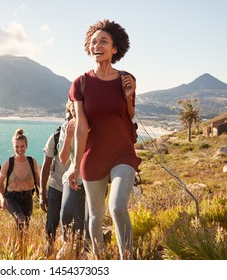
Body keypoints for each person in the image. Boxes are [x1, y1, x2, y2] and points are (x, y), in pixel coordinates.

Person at [67, 19, 142, 259]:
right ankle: (99, 262)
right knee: (96, 217)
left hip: (122, 152)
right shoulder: (81, 84)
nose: (97, 45)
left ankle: (127, 263)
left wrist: (129, 97)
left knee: (118, 207)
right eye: (93, 42)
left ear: (114, 48)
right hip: (94, 156)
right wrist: (74, 165)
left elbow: (129, 117)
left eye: (103, 41)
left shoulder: (126, 79)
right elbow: (81, 127)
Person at [56, 99, 90, 259]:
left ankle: (79, 257)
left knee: (81, 225)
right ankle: (65, 241)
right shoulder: (66, 127)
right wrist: (69, 136)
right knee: (66, 211)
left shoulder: (93, 124)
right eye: (73, 112)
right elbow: (62, 159)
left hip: (92, 178)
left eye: (78, 111)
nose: (75, 115)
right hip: (72, 175)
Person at [40, 109, 72, 257]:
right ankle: (49, 248)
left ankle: (70, 249)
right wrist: (42, 192)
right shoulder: (56, 137)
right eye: (68, 116)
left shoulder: (82, 135)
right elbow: (45, 165)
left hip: (73, 186)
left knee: (70, 220)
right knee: (51, 222)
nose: (70, 119)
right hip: (56, 185)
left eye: (73, 116)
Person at [0, 128, 40, 231]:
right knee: (20, 219)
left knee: (25, 227)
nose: (19, 149)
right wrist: (2, 198)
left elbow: (38, 180)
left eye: (22, 146)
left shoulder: (32, 161)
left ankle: (19, 245)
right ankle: (17, 245)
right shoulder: (8, 163)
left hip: (28, 197)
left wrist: (43, 193)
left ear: (26, 146)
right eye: (17, 146)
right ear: (13, 147)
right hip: (12, 198)